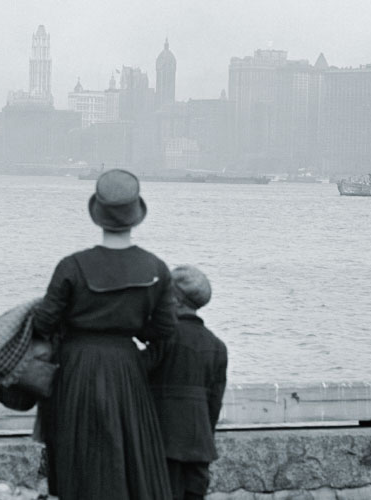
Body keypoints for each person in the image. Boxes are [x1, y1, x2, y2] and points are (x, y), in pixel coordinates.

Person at [32, 168, 177, 499]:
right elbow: (165, 329)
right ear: (135, 216)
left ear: (97, 214)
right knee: (129, 458)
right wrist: (135, 336)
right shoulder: (156, 268)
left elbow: (44, 323)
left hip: (76, 368)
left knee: (77, 457)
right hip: (127, 368)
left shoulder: (72, 265)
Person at [145, 266, 228, 500]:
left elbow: (135, 373)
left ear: (175, 299)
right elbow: (214, 404)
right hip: (199, 448)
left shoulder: (165, 336)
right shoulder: (217, 346)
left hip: (163, 445)